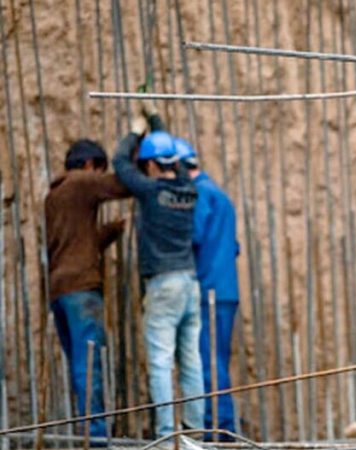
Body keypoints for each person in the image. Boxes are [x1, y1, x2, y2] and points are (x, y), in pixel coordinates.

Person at [112, 108, 204, 438]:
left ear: (151, 164)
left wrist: (136, 133)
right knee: (191, 361)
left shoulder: (151, 192)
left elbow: (120, 164)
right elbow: (174, 159)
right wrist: (157, 123)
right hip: (190, 283)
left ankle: (167, 434)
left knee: (161, 363)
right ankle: (195, 434)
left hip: (164, 284)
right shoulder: (188, 190)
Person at [45, 139, 130, 439]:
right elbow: (122, 185)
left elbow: (76, 243)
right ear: (90, 165)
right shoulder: (81, 182)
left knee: (79, 365)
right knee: (89, 365)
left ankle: (88, 432)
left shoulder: (54, 195)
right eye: (99, 170)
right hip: (81, 289)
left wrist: (109, 232)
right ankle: (94, 437)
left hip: (59, 290)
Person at [175, 137, 240, 435]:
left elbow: (193, 235)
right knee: (217, 361)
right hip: (225, 289)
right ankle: (221, 427)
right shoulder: (220, 195)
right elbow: (233, 246)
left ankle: (218, 430)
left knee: (209, 364)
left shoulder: (199, 194)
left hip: (208, 290)